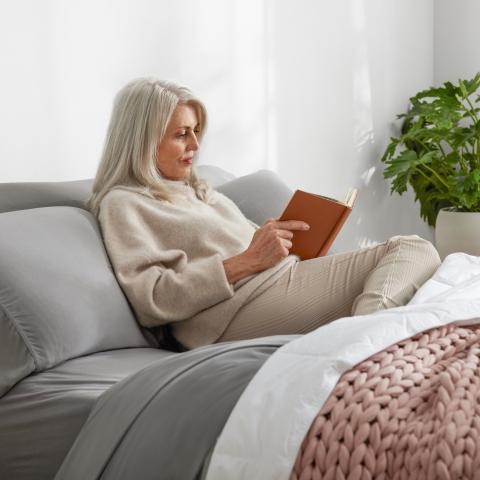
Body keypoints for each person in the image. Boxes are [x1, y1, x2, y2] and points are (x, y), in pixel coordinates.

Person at [87, 77, 441, 351]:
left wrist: (278, 243)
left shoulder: (197, 189)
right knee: (411, 248)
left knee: (430, 274)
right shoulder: (125, 203)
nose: (195, 145)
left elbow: (249, 252)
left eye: (196, 132)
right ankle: (365, 351)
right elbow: (152, 299)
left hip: (280, 281)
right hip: (237, 310)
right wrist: (247, 261)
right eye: (182, 134)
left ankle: (372, 346)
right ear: (142, 140)